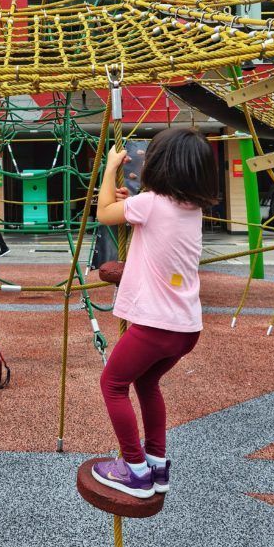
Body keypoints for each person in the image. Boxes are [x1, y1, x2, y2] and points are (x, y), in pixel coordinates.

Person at [92, 127, 219, 498]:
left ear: (160, 167)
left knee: (113, 385)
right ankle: (157, 463)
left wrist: (109, 169)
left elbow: (103, 214)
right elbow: (144, 218)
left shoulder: (149, 203)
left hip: (155, 327)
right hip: (186, 329)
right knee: (146, 383)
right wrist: (129, 202)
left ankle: (133, 469)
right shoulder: (191, 209)